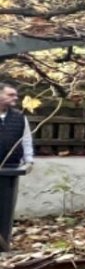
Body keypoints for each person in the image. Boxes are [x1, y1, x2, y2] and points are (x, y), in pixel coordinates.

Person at [0, 84, 33, 251]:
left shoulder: (19, 117)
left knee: (5, 208)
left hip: (11, 167)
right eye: (11, 94)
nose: (16, 98)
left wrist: (29, 160)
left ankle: (4, 244)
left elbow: (26, 139)